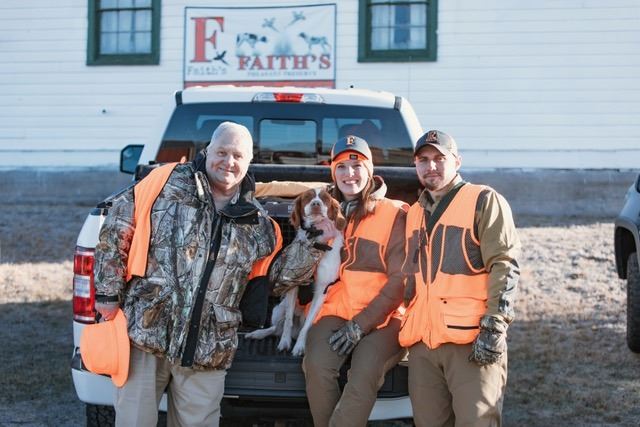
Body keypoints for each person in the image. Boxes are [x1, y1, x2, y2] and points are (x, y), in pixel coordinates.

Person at [93, 122, 327, 427]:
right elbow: (116, 229)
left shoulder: (259, 223)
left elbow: (275, 280)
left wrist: (314, 242)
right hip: (145, 335)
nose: (229, 162)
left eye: (238, 156)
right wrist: (108, 292)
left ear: (249, 161)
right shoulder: (163, 181)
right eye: (222, 152)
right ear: (208, 151)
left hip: (208, 350)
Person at [400, 130, 521, 426]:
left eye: (439, 158)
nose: (431, 166)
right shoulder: (414, 213)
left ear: (457, 161)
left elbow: (504, 263)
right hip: (424, 345)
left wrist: (494, 325)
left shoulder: (483, 200)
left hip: (472, 342)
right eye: (423, 160)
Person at [302, 135, 408, 427]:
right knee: (316, 365)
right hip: (337, 309)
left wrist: (360, 326)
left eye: (357, 165)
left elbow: (401, 280)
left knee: (364, 371)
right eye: (341, 167)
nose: (349, 173)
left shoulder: (394, 213)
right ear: (332, 172)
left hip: (385, 316)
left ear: (370, 170)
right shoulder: (325, 211)